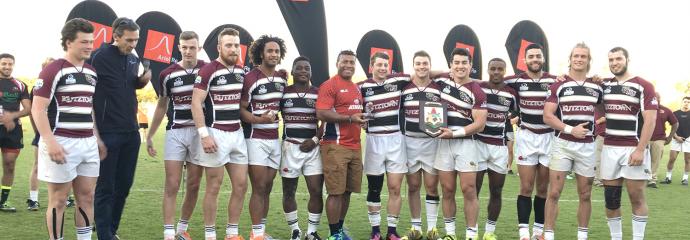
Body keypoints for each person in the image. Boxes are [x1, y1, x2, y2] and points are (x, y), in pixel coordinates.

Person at [32, 18, 107, 240]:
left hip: (88, 143)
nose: (90, 46)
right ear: (68, 42)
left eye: (91, 42)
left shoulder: (92, 72)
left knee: (87, 197)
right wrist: (50, 141)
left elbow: (88, 109)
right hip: (61, 141)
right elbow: (38, 110)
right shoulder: (53, 70)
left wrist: (97, 139)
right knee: (59, 200)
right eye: (84, 42)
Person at [89, 17, 152, 240]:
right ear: (116, 36)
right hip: (108, 132)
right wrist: (95, 134)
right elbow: (88, 94)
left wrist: (142, 80)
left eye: (136, 40)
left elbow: (128, 85)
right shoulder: (98, 56)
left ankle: (110, 230)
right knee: (106, 186)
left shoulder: (133, 57)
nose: (133, 44)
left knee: (124, 186)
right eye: (129, 40)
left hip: (131, 132)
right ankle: (104, 234)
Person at [146, 31, 206, 240]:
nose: (188, 51)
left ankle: (182, 228)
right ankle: (169, 233)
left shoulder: (207, 69)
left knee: (194, 184)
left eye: (192, 47)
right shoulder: (167, 74)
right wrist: (151, 135)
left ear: (199, 48)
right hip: (176, 132)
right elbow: (162, 105)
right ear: (179, 48)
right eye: (184, 47)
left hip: (200, 133)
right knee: (172, 184)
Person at [191, 28, 249, 240]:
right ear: (219, 47)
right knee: (214, 186)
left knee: (241, 185)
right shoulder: (208, 70)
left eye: (236, 45)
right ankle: (210, 234)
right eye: (228, 45)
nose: (233, 49)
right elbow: (195, 103)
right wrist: (204, 135)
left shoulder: (242, 71)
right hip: (216, 133)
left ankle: (232, 233)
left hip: (237, 134)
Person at [542, 43, 603, 240]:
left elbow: (606, 110)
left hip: (587, 146)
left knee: (585, 194)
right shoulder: (559, 84)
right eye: (576, 56)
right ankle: (549, 235)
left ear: (589, 60)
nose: (579, 59)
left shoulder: (598, 86)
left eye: (583, 56)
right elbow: (547, 116)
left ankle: (582, 236)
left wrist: (599, 123)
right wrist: (570, 129)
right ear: (570, 59)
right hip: (563, 144)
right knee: (554, 193)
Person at [600, 47, 657, 240]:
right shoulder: (604, 85)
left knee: (636, 197)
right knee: (611, 200)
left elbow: (650, 120)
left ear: (627, 60)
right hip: (609, 148)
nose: (614, 63)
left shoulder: (643, 85)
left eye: (618, 59)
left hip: (632, 148)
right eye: (611, 60)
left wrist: (640, 149)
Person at [504, 43, 557, 240]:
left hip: (549, 137)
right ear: (524, 60)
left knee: (543, 188)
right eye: (531, 56)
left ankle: (538, 232)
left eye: (538, 56)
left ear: (543, 59)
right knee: (526, 187)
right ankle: (524, 232)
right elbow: (491, 83)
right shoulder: (515, 80)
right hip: (527, 137)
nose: (535, 59)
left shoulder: (555, 80)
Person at [434, 48, 488, 240]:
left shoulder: (477, 90)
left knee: (469, 190)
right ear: (451, 64)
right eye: (456, 62)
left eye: (464, 62)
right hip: (443, 144)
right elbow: (423, 73)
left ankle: (471, 234)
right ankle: (450, 235)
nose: (460, 66)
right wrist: (444, 71)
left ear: (470, 66)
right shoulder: (442, 81)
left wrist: (454, 134)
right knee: (447, 189)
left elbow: (480, 124)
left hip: (466, 144)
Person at [315, 50, 366, 240]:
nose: (348, 65)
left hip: (355, 146)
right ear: (337, 63)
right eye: (344, 61)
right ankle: (334, 234)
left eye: (352, 62)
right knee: (336, 193)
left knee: (348, 191)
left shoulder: (356, 87)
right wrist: (350, 119)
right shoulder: (330, 85)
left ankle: (338, 229)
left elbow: (354, 113)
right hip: (335, 145)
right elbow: (322, 113)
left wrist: (360, 121)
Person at [242, 35, 288, 240]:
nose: (273, 54)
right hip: (255, 138)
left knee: (267, 188)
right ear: (261, 53)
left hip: (274, 139)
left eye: (277, 51)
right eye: (270, 51)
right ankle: (256, 235)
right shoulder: (251, 78)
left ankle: (260, 231)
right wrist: (259, 119)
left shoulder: (281, 78)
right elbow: (240, 109)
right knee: (259, 186)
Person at [358, 51, 409, 240]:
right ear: (371, 67)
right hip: (374, 140)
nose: (382, 68)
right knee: (374, 188)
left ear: (390, 67)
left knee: (395, 188)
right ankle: (375, 230)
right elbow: (351, 107)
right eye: (379, 65)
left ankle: (392, 231)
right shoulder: (362, 87)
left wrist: (449, 73)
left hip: (396, 139)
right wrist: (361, 120)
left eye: (385, 65)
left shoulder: (399, 81)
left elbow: (424, 74)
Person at [280, 56, 325, 240]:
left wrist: (315, 139)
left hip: (312, 149)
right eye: (299, 68)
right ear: (292, 71)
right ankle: (295, 231)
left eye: (307, 68)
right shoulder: (284, 93)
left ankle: (312, 232)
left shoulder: (318, 93)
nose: (303, 71)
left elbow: (326, 121)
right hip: (290, 148)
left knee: (316, 191)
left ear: (311, 72)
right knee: (289, 191)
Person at [400, 51, 442, 240]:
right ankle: (416, 228)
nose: (422, 67)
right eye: (418, 64)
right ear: (413, 65)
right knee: (413, 185)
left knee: (432, 186)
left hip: (432, 142)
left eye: (425, 63)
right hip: (410, 142)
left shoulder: (438, 88)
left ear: (430, 65)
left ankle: (432, 229)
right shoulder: (405, 88)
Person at [475, 58, 517, 240]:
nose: (497, 72)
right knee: (473, 190)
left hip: (499, 147)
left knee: (496, 191)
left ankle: (489, 232)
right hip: (477, 144)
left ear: (505, 70)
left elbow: (517, 112)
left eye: (500, 69)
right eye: (493, 69)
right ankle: (473, 230)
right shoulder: (478, 88)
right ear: (488, 70)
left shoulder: (512, 94)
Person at [0, 53, 31, 212]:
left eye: (10, 64)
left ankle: (2, 202)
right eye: (4, 64)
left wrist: (11, 116)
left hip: (12, 130)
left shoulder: (20, 85)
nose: (7, 67)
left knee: (10, 165)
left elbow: (27, 109)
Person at [26, 57, 56, 211]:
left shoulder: (62, 84)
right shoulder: (39, 85)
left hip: (60, 131)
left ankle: (68, 197)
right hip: (43, 131)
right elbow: (33, 111)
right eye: (48, 67)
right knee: (38, 165)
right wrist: (37, 130)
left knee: (65, 164)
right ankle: (33, 199)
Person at [647, 93, 678, 188]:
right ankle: (641, 178)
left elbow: (675, 123)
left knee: (655, 160)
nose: (656, 99)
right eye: (654, 98)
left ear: (660, 99)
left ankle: (652, 180)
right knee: (644, 160)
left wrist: (670, 137)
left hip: (659, 139)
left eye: (658, 98)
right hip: (645, 139)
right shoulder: (644, 108)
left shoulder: (666, 110)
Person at [662, 96, 690, 185]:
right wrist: (676, 137)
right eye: (685, 101)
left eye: (688, 102)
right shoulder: (675, 113)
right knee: (672, 159)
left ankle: (685, 179)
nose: (686, 103)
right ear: (682, 102)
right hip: (676, 138)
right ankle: (668, 177)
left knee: (688, 160)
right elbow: (672, 127)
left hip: (688, 139)